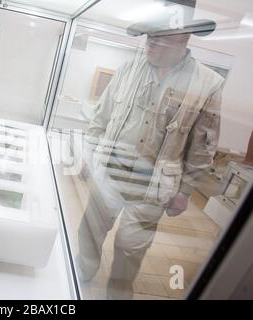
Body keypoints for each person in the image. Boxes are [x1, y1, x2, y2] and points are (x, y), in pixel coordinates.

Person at [76, 0, 225, 299]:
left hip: (152, 189)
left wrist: (185, 191)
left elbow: (202, 147)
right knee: (90, 231)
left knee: (130, 249)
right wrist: (89, 154)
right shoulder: (129, 68)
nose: (150, 43)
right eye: (148, 35)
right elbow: (100, 117)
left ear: (184, 38)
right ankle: (78, 274)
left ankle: (117, 295)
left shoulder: (207, 84)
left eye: (160, 37)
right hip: (109, 173)